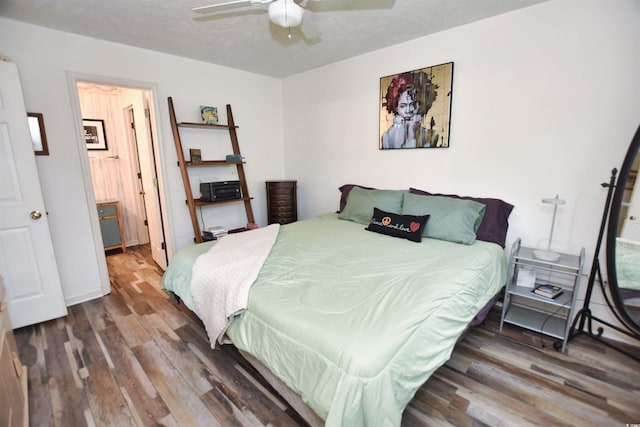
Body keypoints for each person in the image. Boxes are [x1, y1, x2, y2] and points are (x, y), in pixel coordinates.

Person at [381, 71, 439, 149]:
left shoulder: (431, 136)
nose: (408, 111)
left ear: (421, 105)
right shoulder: (387, 137)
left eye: (413, 105)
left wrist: (412, 133)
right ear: (396, 107)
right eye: (402, 106)